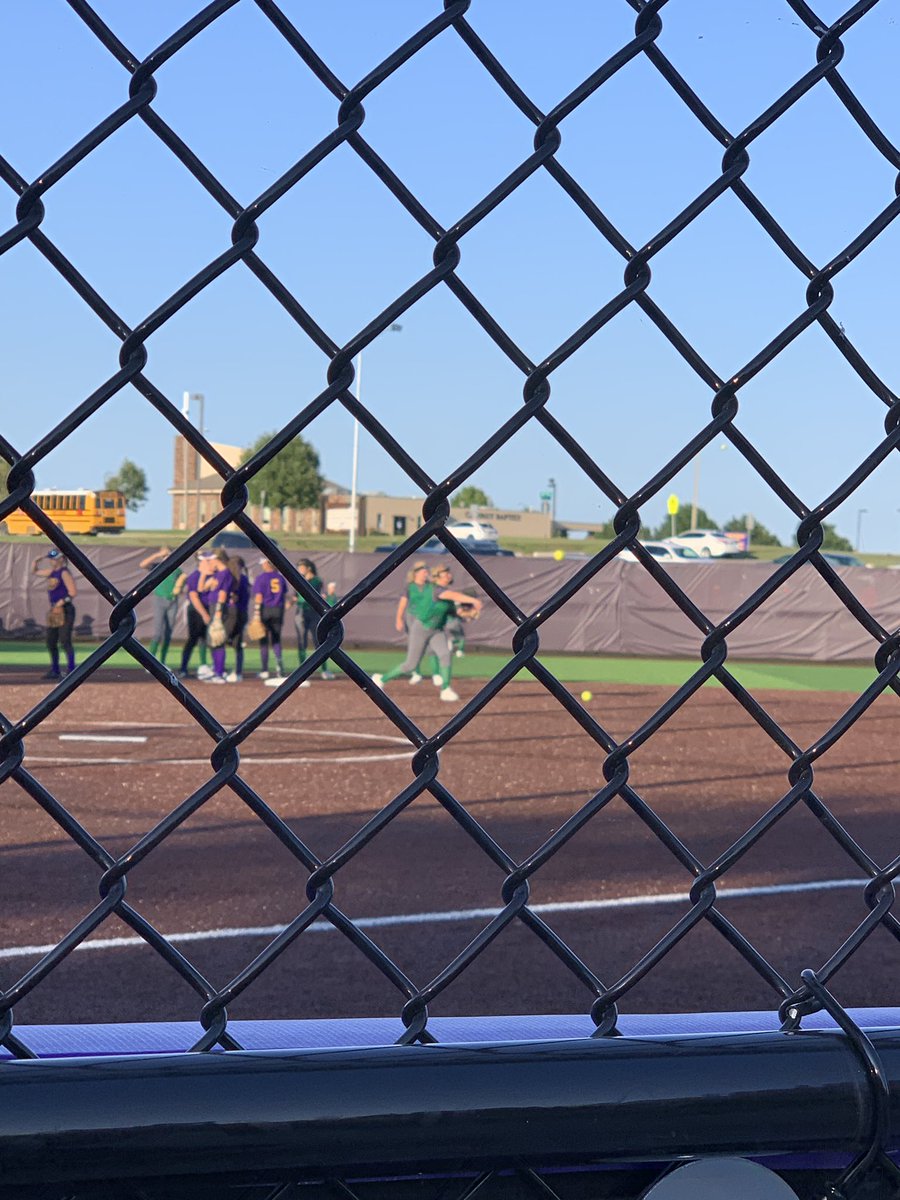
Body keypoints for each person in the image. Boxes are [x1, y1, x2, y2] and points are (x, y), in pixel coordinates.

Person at [373, 563, 481, 702]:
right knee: (410, 665)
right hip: (421, 629)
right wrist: (472, 600)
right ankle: (381, 679)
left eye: (448, 572)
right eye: (445, 573)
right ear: (437, 577)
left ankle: (445, 689)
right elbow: (449, 595)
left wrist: (467, 614)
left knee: (445, 654)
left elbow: (454, 613)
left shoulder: (447, 597)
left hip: (437, 631)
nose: (449, 574)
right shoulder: (435, 589)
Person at [32, 549, 77, 680]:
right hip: (54, 610)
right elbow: (35, 572)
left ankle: (72, 670)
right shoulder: (52, 572)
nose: (52, 561)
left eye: (54, 558)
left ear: (61, 559)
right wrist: (35, 561)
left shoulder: (63, 573)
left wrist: (61, 602)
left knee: (65, 641)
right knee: (51, 641)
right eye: (51, 559)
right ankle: (55, 670)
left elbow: (72, 592)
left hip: (65, 609)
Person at [139, 546, 183, 666]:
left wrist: (179, 588)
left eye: (168, 555)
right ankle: (151, 662)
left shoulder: (177, 569)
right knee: (158, 633)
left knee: (168, 633)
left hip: (172, 601)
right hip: (160, 600)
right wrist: (158, 555)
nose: (166, 558)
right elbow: (142, 564)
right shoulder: (157, 567)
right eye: (165, 556)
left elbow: (182, 581)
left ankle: (162, 662)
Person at [178, 551, 217, 679]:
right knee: (193, 639)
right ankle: (183, 668)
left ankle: (204, 666)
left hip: (209, 609)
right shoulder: (194, 576)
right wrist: (205, 614)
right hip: (196, 611)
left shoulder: (213, 575)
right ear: (202, 562)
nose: (211, 563)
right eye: (208, 560)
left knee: (207, 639)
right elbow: (194, 598)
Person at [253, 556, 287, 681]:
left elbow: (258, 597)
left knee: (263, 640)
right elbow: (283, 594)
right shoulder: (280, 578)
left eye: (263, 563)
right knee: (276, 640)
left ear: (268, 564)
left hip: (265, 610)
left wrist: (256, 614)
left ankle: (265, 670)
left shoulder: (261, 578)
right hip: (278, 610)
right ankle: (279, 668)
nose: (262, 565)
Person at [223, 556, 250, 683]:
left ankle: (220, 670)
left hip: (232, 613)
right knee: (238, 644)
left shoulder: (232, 578)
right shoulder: (244, 579)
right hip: (242, 613)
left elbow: (232, 597)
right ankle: (238, 672)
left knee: (220, 641)